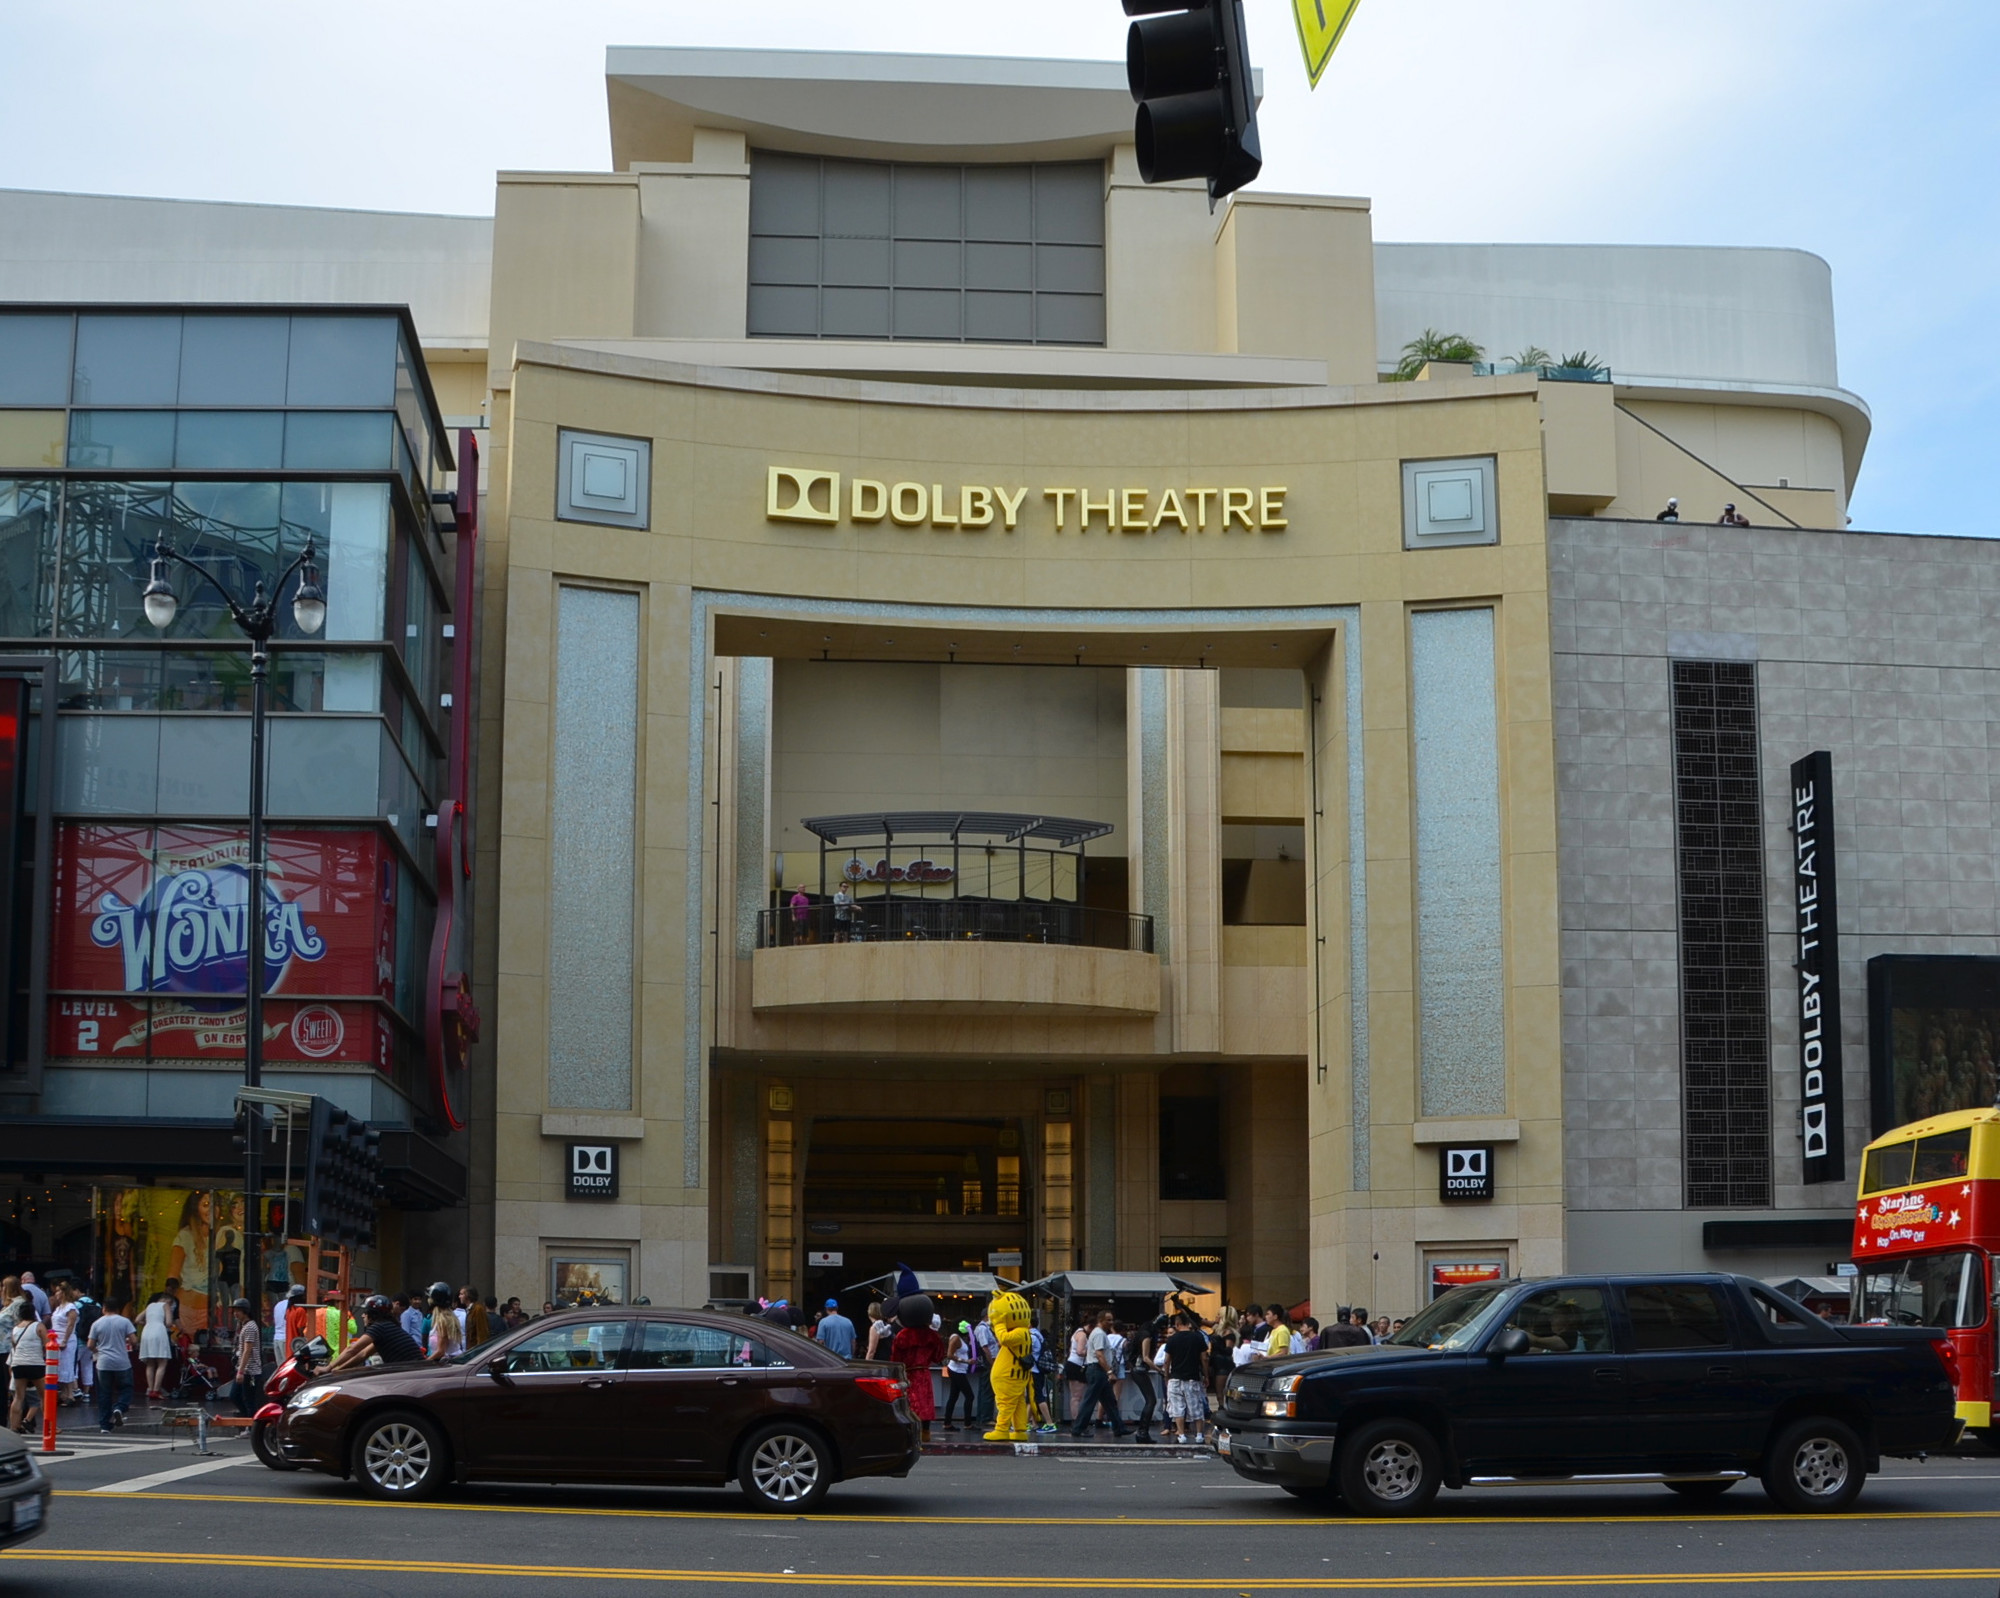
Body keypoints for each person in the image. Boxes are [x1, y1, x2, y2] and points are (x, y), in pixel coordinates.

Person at [327, 1296, 427, 1371]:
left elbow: (352, 1350)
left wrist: (328, 1367)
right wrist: (338, 1370)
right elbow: (363, 1354)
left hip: (410, 1372)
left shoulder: (379, 1327)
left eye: (365, 1312)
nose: (362, 1316)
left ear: (372, 1315)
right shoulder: (388, 1326)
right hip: (415, 1371)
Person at [889, 1314, 946, 1445]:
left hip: (907, 1374)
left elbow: (895, 1359)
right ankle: (925, 1432)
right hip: (923, 1372)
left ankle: (909, 1433)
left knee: (909, 1403)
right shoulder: (932, 1335)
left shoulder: (903, 1335)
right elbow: (938, 1357)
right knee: (925, 1403)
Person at [1069, 1310, 1126, 1440]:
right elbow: (1099, 1355)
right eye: (1108, 1320)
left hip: (1098, 1370)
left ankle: (1119, 1427)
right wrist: (1109, 1371)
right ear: (1101, 1320)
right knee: (1090, 1400)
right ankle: (1079, 1428)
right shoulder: (1099, 1334)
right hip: (1097, 1370)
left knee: (1109, 1401)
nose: (1111, 1323)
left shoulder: (1098, 1333)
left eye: (1112, 1320)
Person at [1161, 1311, 1211, 1445]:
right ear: (1188, 1324)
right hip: (1193, 1377)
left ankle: (1181, 1434)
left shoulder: (1172, 1339)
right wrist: (1206, 1376)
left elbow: (1167, 1361)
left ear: (1177, 1324)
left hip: (1175, 1377)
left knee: (1177, 1407)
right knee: (1196, 1406)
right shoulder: (1197, 1337)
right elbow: (1204, 1358)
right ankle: (1199, 1434)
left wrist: (1167, 1376)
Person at [88, 1298, 137, 1432]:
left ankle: (105, 1425)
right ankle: (119, 1407)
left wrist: (98, 1350)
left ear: (104, 1308)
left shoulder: (97, 1323)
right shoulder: (124, 1321)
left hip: (103, 1363)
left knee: (104, 1394)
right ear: (118, 1309)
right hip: (122, 1362)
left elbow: (90, 1345)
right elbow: (134, 1341)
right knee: (126, 1388)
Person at [7, 1295, 44, 1434]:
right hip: (35, 1363)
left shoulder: (15, 1329)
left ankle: (14, 1427)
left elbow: (14, 1346)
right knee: (44, 1396)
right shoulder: (38, 1326)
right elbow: (48, 1345)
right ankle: (50, 1425)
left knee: (18, 1397)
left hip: (18, 1364)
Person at [137, 1291, 175, 1400]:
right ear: (167, 1300)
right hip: (159, 1331)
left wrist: (148, 1323)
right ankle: (156, 1390)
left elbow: (137, 1319)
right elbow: (168, 1322)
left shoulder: (150, 1306)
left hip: (147, 1331)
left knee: (150, 1363)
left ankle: (150, 1389)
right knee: (162, 1363)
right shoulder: (165, 1305)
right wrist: (167, 1323)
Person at [229, 1298, 264, 1418]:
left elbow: (247, 1350)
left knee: (249, 1400)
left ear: (245, 1311)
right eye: (234, 1310)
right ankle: (246, 1421)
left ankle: (251, 1426)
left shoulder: (250, 1327)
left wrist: (241, 1371)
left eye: (238, 1310)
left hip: (250, 1371)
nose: (235, 1313)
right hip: (244, 1369)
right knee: (235, 1395)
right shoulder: (243, 1326)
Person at [50, 1282, 80, 1407]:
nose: (56, 1294)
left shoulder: (70, 1307)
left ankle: (70, 1394)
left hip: (66, 1339)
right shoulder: (58, 1308)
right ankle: (63, 1393)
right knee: (59, 1366)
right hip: (56, 1338)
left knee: (67, 1365)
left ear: (63, 1293)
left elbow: (70, 1324)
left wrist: (65, 1340)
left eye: (58, 1291)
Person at [941, 1321, 976, 1428]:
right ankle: (967, 1423)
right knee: (969, 1396)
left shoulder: (957, 1338)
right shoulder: (956, 1338)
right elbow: (949, 1355)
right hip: (956, 1370)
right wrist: (966, 1361)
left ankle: (947, 1422)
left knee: (953, 1396)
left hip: (958, 1370)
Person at [428, 1286, 464, 1361]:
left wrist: (424, 1363)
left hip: (446, 1364)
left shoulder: (443, 1321)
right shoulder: (449, 1318)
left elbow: (441, 1351)